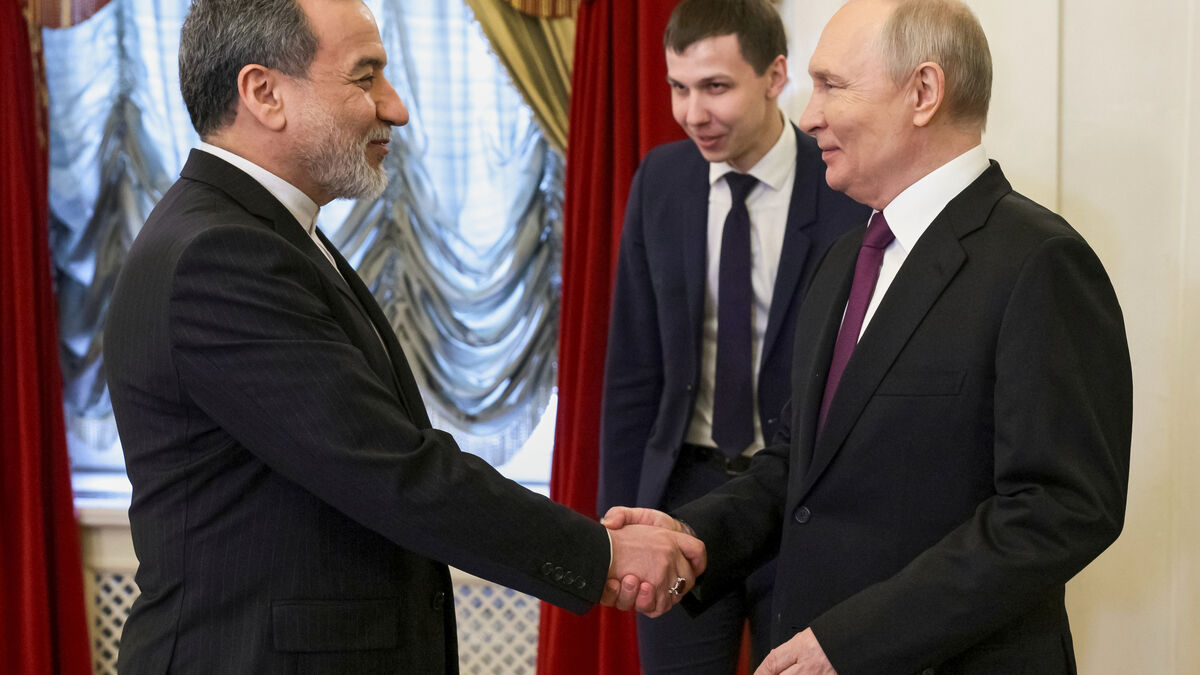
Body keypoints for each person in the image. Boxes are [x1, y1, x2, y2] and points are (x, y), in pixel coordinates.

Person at [103, 0, 702, 671]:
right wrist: (603, 554)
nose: (396, 107)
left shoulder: (259, 233)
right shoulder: (220, 255)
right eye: (365, 78)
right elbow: (387, 466)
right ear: (264, 93)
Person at [604, 0, 1133, 673]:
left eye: (831, 85)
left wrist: (852, 641)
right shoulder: (847, 258)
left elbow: (1060, 510)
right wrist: (695, 534)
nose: (808, 116)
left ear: (923, 92)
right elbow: (800, 460)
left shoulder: (1040, 261)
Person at [597, 1, 868, 671]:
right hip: (683, 500)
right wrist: (618, 523)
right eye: (678, 87)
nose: (693, 113)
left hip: (803, 501)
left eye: (715, 87)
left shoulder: (845, 186)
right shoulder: (661, 180)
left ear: (775, 76)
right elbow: (633, 365)